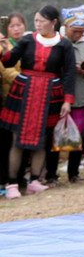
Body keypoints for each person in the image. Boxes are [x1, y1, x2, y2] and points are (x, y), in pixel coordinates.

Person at [0, 6, 76, 199]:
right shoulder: (27, 40)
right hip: (25, 91)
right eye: (36, 21)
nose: (38, 24)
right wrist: (3, 50)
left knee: (42, 138)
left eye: (42, 21)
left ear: (53, 22)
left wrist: (68, 101)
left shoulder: (64, 45)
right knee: (17, 139)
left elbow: (69, 74)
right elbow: (9, 62)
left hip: (50, 93)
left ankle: (34, 181)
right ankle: (12, 184)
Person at [48, 6, 84, 183]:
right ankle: (50, 174)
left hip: (83, 95)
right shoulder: (56, 41)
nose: (78, 34)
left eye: (81, 31)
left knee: (78, 136)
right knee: (55, 136)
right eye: (75, 31)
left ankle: (74, 173)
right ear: (66, 26)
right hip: (58, 96)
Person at [0, 12, 27, 188]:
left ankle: (21, 176)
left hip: (30, 99)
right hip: (10, 98)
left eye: (19, 25)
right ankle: (6, 179)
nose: (16, 29)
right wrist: (28, 81)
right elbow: (5, 71)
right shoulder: (4, 45)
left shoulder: (29, 42)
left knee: (24, 139)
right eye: (12, 26)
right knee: (7, 142)